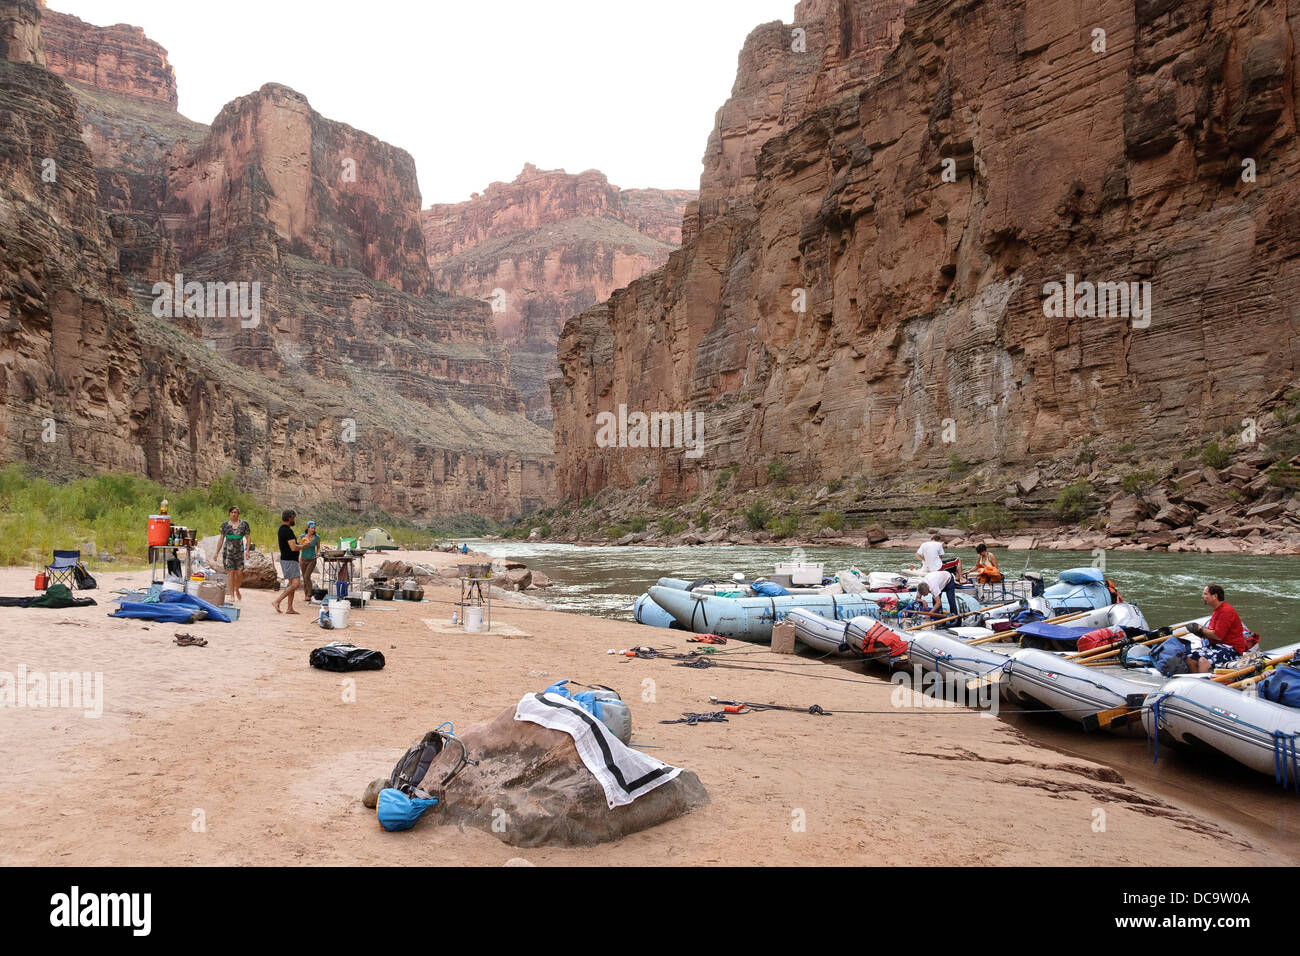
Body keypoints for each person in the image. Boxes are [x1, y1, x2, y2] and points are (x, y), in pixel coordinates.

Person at [1185, 584, 1246, 673]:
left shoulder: (1226, 611)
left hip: (1232, 648)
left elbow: (1218, 636)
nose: (1203, 596)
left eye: (1205, 594)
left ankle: (1204, 681)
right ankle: (1195, 679)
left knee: (1203, 660)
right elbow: (1212, 632)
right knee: (1190, 658)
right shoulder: (1217, 610)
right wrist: (1199, 632)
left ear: (1215, 596)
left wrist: (1200, 629)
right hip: (1217, 645)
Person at [272, 510, 305, 614]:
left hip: (287, 559)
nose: (294, 520)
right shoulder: (287, 531)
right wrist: (304, 546)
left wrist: (299, 544)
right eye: (293, 518)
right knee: (296, 584)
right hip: (290, 560)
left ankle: (289, 608)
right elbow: (293, 547)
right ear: (290, 518)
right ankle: (277, 601)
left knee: (292, 584)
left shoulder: (282, 529)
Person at [219, 506, 250, 602]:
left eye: (235, 512)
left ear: (238, 514)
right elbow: (221, 539)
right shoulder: (225, 525)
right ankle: (232, 595)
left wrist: (247, 550)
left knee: (239, 573)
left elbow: (248, 538)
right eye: (232, 512)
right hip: (228, 553)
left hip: (239, 552)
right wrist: (216, 552)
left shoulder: (244, 524)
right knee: (231, 573)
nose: (233, 514)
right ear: (229, 513)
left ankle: (237, 588)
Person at [298, 520, 320, 598]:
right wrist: (302, 545)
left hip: (312, 559)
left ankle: (309, 594)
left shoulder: (317, 537)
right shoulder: (302, 537)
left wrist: (318, 553)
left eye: (314, 528)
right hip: (303, 559)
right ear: (308, 528)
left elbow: (318, 547)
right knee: (305, 578)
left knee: (307, 576)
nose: (313, 530)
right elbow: (298, 546)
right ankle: (306, 594)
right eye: (312, 528)